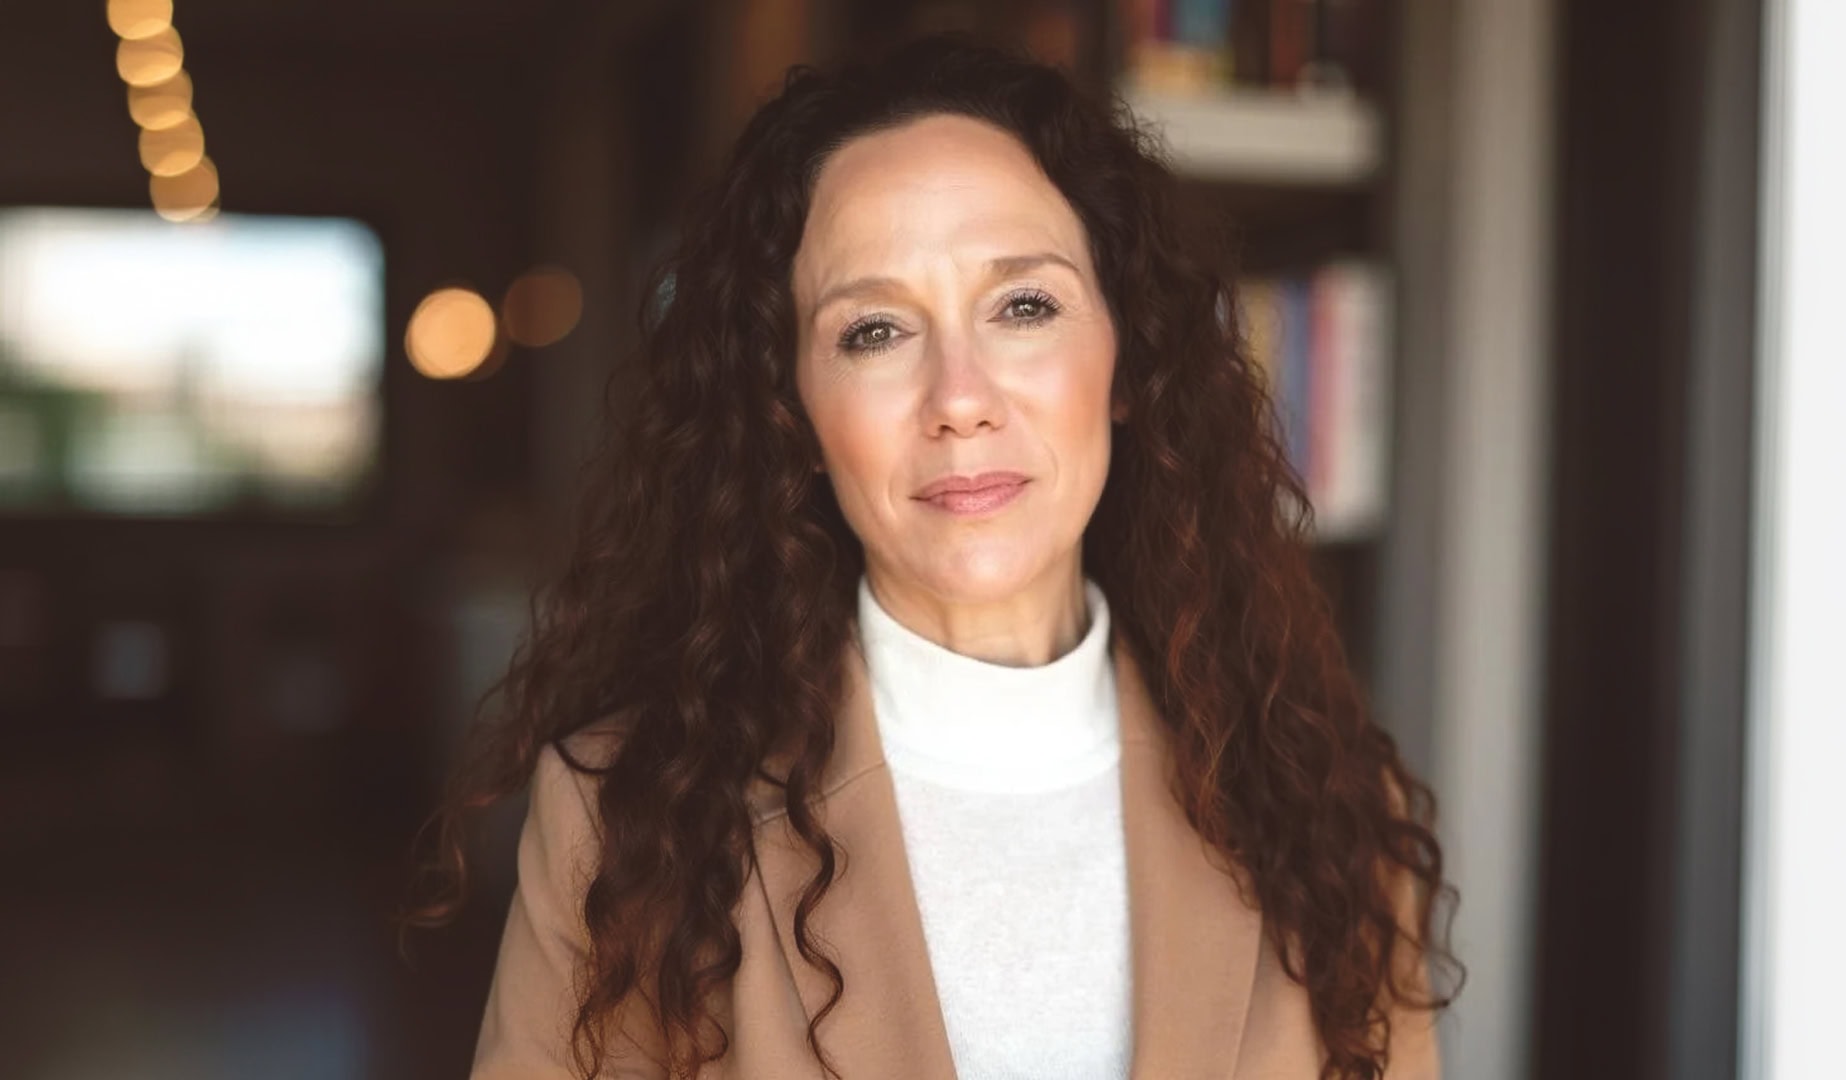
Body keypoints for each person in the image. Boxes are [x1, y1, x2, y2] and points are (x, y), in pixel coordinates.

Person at [412, 31, 1460, 1080]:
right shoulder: (626, 816)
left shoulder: (1329, 818)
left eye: (1023, 307)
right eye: (874, 330)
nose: (959, 397)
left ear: (1127, 362)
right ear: (793, 415)